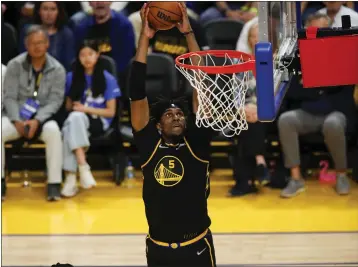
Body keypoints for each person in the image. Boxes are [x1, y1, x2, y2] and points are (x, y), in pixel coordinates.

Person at [129, 3, 216, 266]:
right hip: (159, 250)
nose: (177, 116)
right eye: (169, 115)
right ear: (157, 126)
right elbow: (136, 90)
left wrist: (188, 32)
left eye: (180, 114)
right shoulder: (149, 145)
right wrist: (145, 38)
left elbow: (200, 79)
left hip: (197, 247)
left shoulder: (197, 144)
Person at [278, 13, 356, 198]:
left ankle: (341, 175)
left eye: (323, 30)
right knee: (286, 120)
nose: (319, 34)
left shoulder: (342, 53)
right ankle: (295, 178)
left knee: (333, 124)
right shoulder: (298, 55)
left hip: (335, 112)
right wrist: (321, 87)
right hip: (308, 112)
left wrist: (311, 85)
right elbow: (293, 91)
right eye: (315, 30)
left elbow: (344, 89)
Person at [2, 25, 65, 201]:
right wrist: (16, 120)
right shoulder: (15, 65)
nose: (36, 47)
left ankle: (54, 183)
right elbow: (10, 97)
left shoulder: (58, 69)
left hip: (42, 118)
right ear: (26, 45)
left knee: (54, 132)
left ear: (47, 44)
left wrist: (37, 120)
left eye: (40, 43)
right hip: (17, 118)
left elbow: (55, 101)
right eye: (32, 43)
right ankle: (0, 183)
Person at [61, 41, 121, 197]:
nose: (86, 58)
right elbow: (68, 108)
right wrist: (72, 96)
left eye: (90, 54)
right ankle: (81, 169)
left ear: (98, 55)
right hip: (78, 120)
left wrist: (85, 108)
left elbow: (110, 112)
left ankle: (72, 176)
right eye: (82, 55)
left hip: (98, 120)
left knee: (72, 123)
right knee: (73, 121)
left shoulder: (107, 78)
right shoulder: (71, 76)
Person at [19, 2, 75, 71]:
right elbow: (22, 60)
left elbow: (68, 65)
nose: (49, 14)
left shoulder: (66, 34)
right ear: (39, 11)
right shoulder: (27, 31)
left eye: (53, 9)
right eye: (45, 9)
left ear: (58, 12)